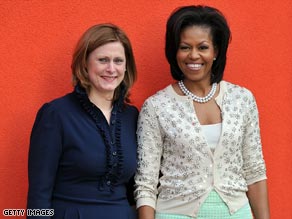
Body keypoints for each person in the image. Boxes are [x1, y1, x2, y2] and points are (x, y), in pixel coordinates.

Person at [134, 5, 270, 219]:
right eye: (185, 47)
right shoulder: (157, 107)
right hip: (174, 214)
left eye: (203, 47)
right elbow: (145, 183)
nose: (193, 55)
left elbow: (254, 170)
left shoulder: (242, 99)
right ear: (175, 52)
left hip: (236, 212)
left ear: (216, 51)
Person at [27, 23, 138, 219]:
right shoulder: (56, 114)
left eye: (118, 61)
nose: (111, 69)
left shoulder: (132, 116)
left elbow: (135, 190)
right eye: (102, 60)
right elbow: (39, 194)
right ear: (85, 64)